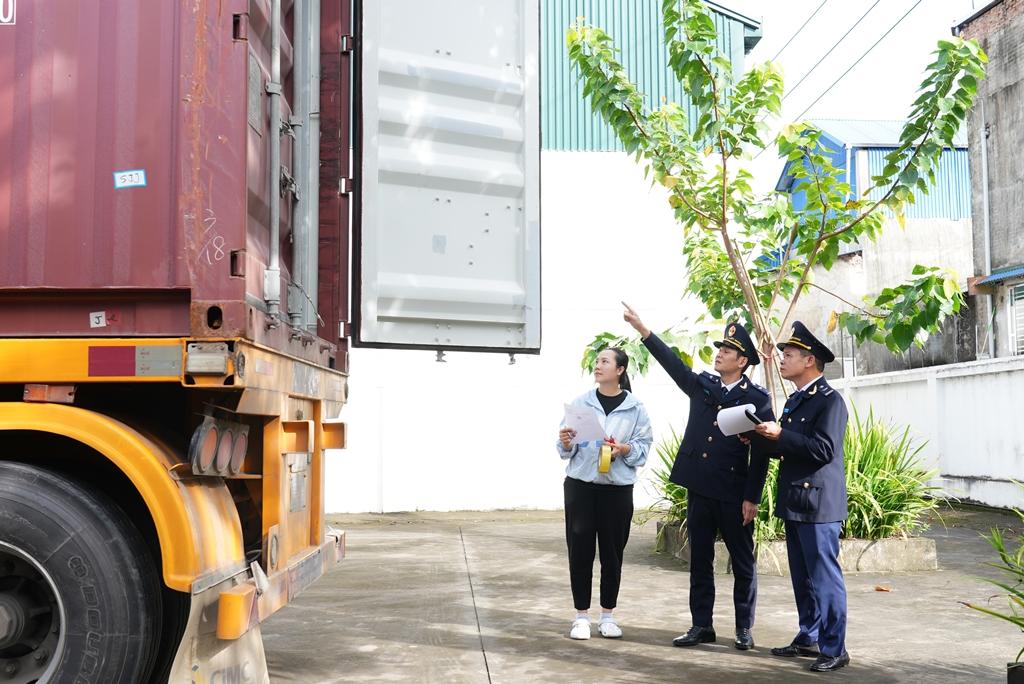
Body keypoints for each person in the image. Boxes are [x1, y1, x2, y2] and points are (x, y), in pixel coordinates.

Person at [622, 303, 774, 651]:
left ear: (743, 361)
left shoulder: (756, 398)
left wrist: (752, 497)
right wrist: (644, 330)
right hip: (701, 487)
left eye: (728, 350)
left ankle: (744, 627)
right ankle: (701, 625)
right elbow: (674, 365)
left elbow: (762, 453)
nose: (720, 353)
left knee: (742, 561)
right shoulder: (704, 384)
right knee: (700, 559)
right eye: (721, 348)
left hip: (733, 491)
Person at [753, 321, 851, 673]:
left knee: (824, 577)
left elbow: (823, 449)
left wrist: (781, 435)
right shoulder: (797, 400)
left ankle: (835, 647)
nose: (783, 359)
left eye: (789, 354)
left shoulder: (830, 401)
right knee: (802, 577)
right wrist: (760, 437)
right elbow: (791, 449)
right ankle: (809, 635)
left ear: (809, 360)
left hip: (819, 504)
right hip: (796, 500)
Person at [557, 347, 653, 641]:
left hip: (617, 490)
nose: (597, 365)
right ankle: (581, 617)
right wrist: (566, 441)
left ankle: (608, 615)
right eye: (597, 361)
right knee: (580, 552)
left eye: (604, 361)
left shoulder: (635, 408)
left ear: (620, 370)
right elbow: (564, 449)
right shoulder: (581, 403)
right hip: (581, 487)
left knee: (612, 554)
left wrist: (625, 449)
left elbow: (643, 449)